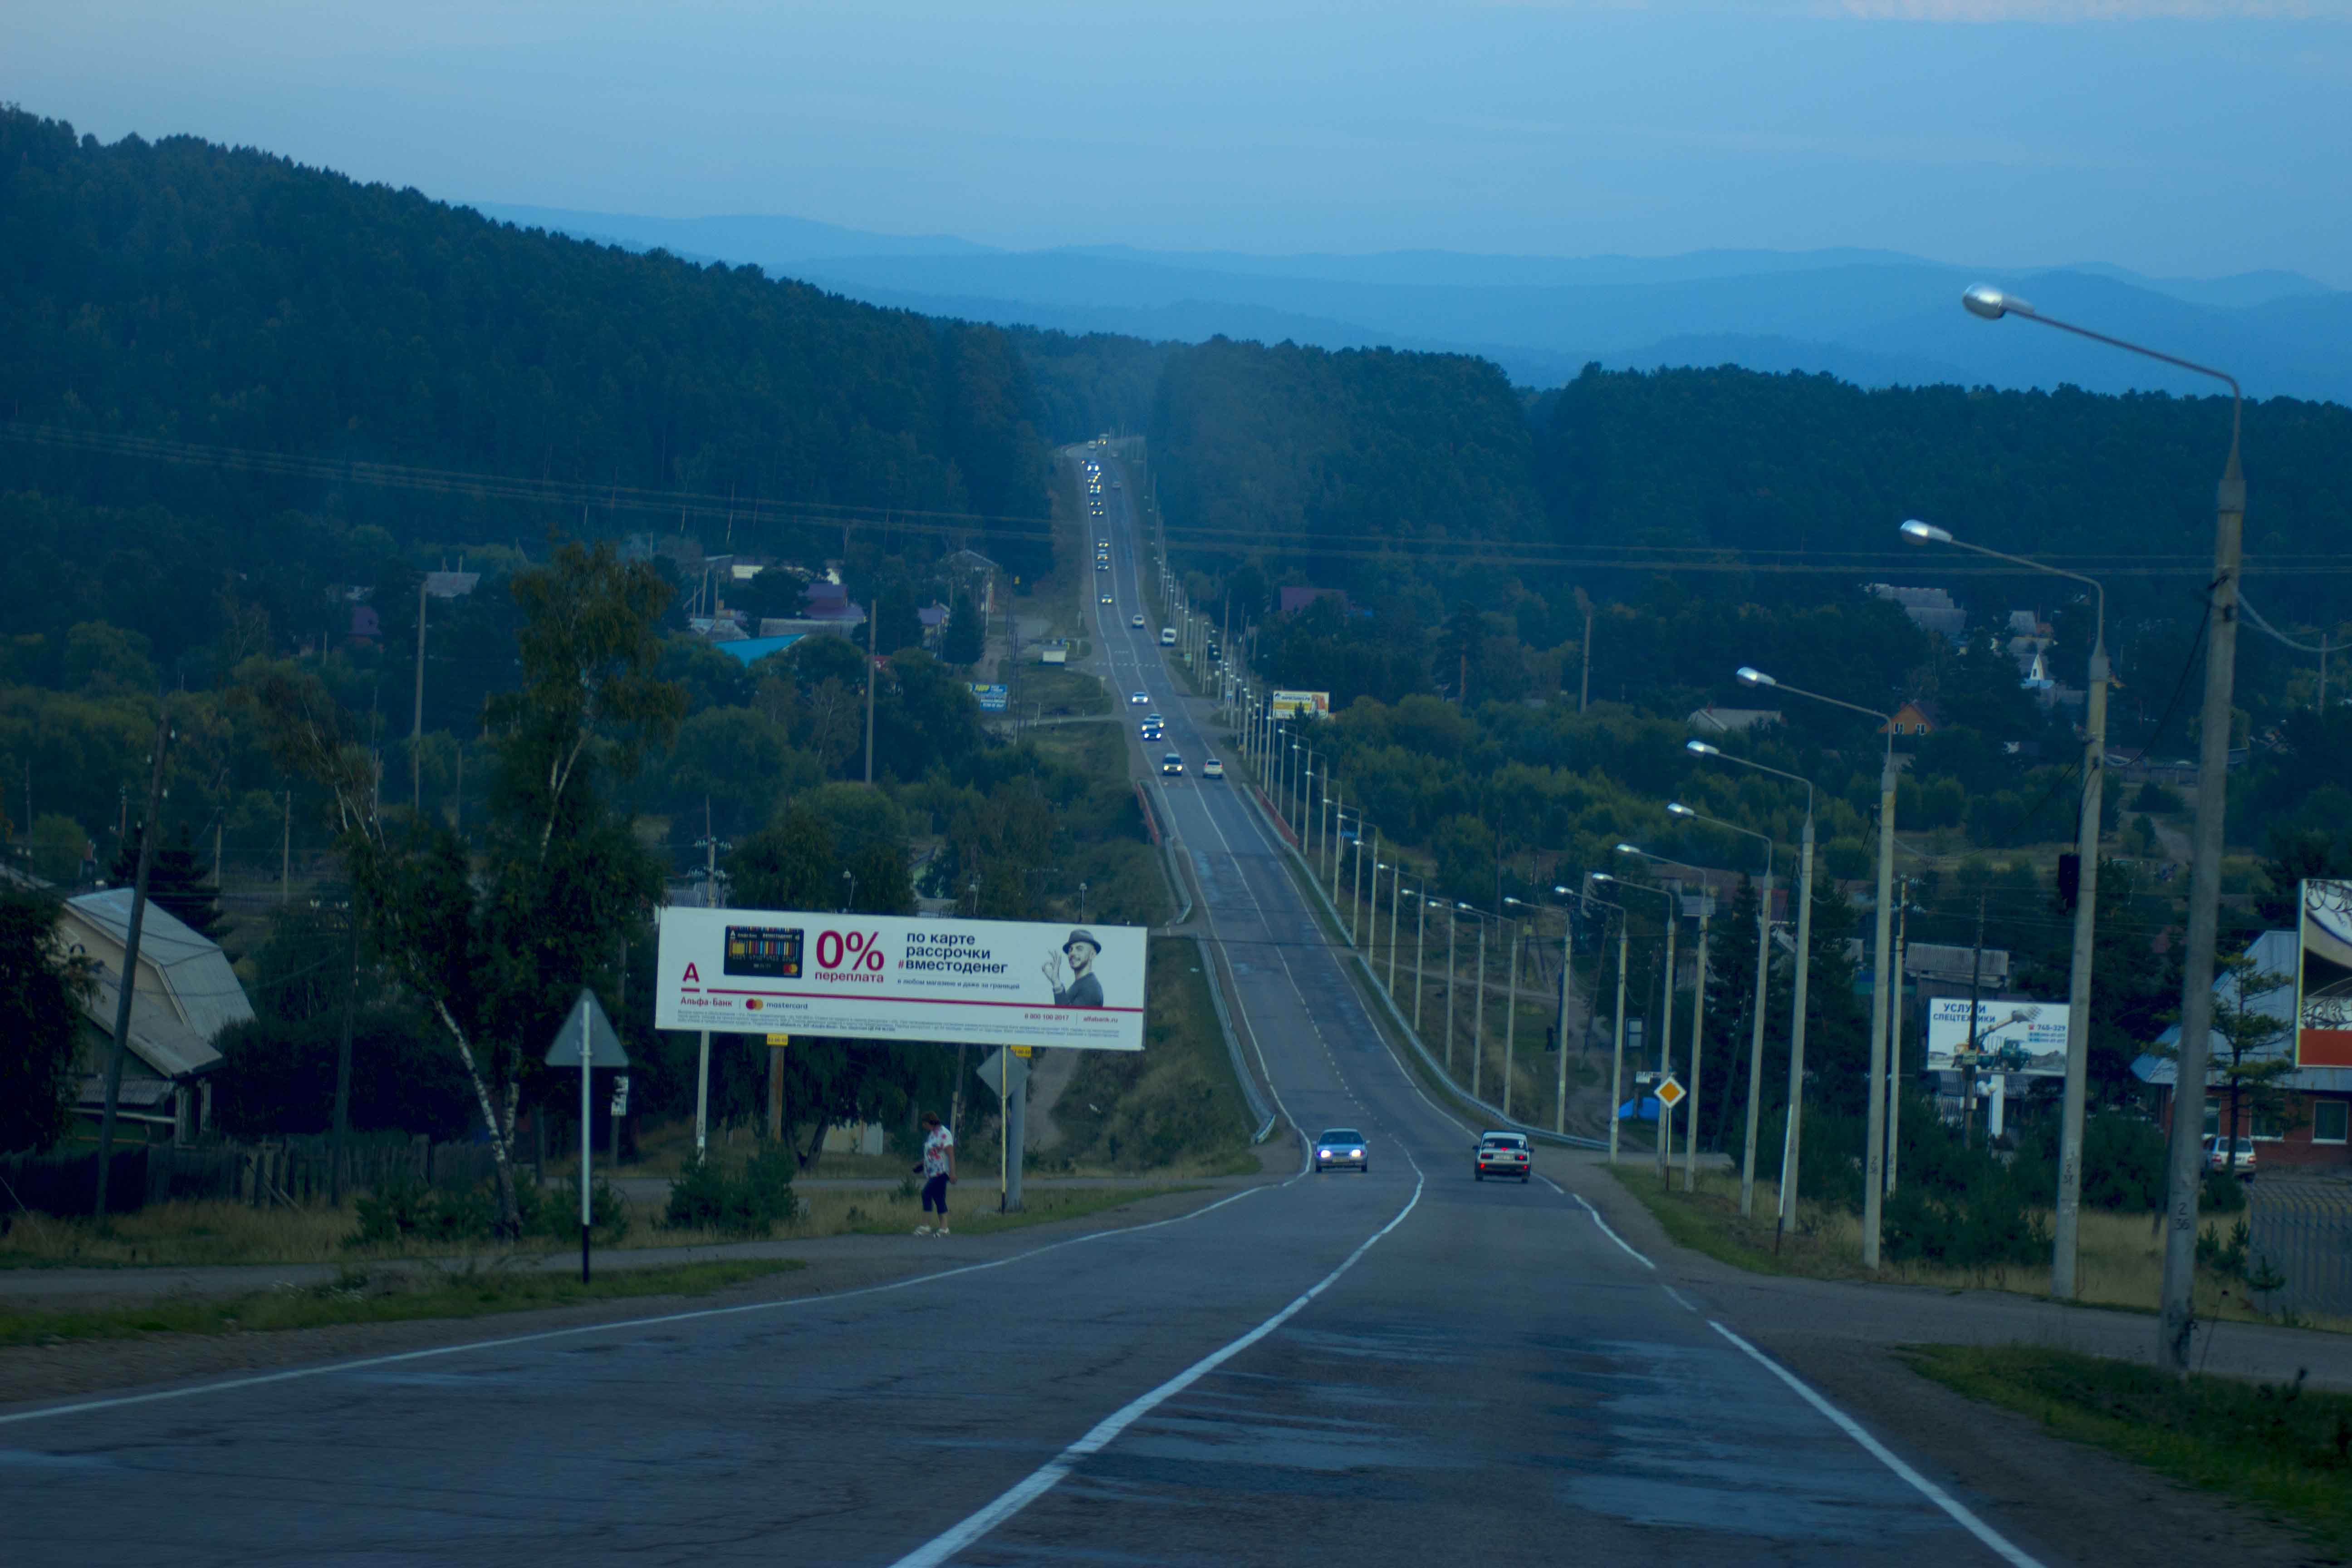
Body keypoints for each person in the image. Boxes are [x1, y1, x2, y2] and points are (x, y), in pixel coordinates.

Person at [1041, 928, 1106, 1008]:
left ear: (1092, 955)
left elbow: (1068, 1018)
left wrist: (1057, 983)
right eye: (1070, 950)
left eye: (1079, 949)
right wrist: (1055, 981)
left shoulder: (1091, 988)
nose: (1072, 953)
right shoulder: (1081, 984)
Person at [913, 1111, 955, 1236]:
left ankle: (926, 1225)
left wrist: (953, 1173)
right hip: (932, 1172)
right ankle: (944, 1228)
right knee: (939, 1198)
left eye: (924, 1124)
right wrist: (921, 1164)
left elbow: (950, 1154)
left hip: (942, 1171)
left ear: (929, 1122)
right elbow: (931, 1153)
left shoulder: (944, 1134)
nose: (924, 1126)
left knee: (926, 1193)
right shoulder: (932, 1135)